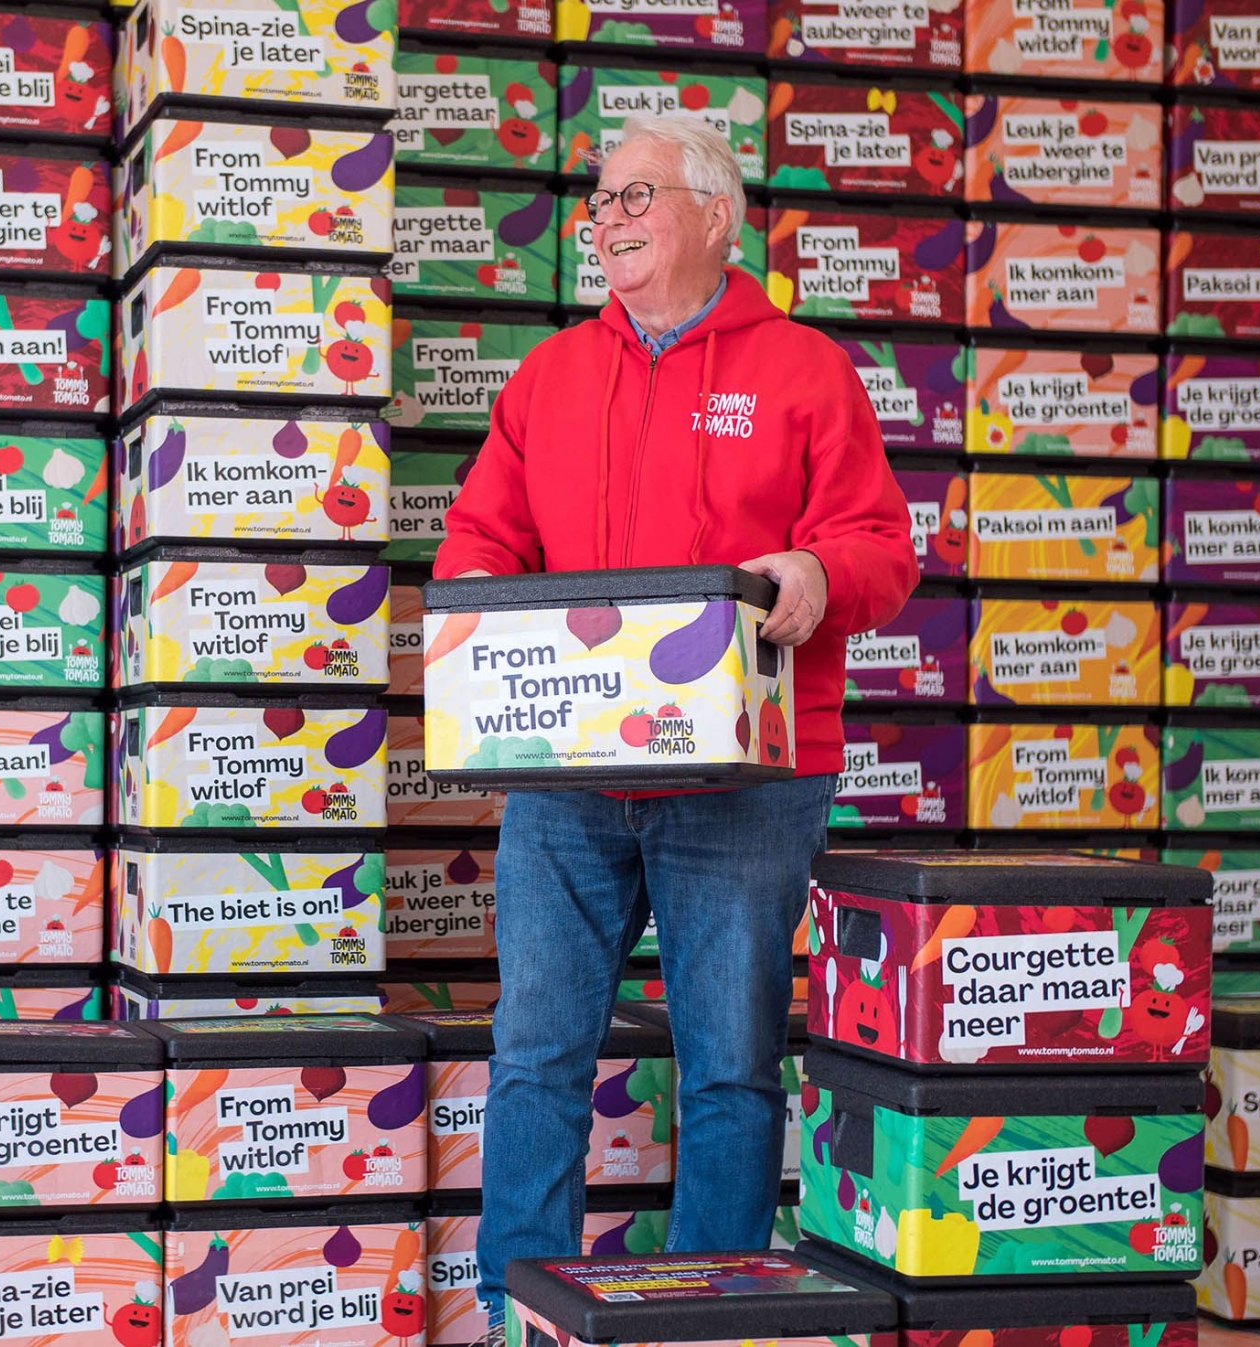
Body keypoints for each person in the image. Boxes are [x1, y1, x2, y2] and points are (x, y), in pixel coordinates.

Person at [430, 113, 920, 1336]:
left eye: (636, 197)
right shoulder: (549, 375)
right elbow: (483, 537)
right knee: (537, 1052)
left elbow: (880, 551)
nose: (608, 222)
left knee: (732, 1074)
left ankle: (716, 1318)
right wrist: (479, 613)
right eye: (598, 204)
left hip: (748, 788)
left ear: (715, 214)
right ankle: (513, 1313)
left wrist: (812, 577)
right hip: (568, 781)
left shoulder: (804, 369)